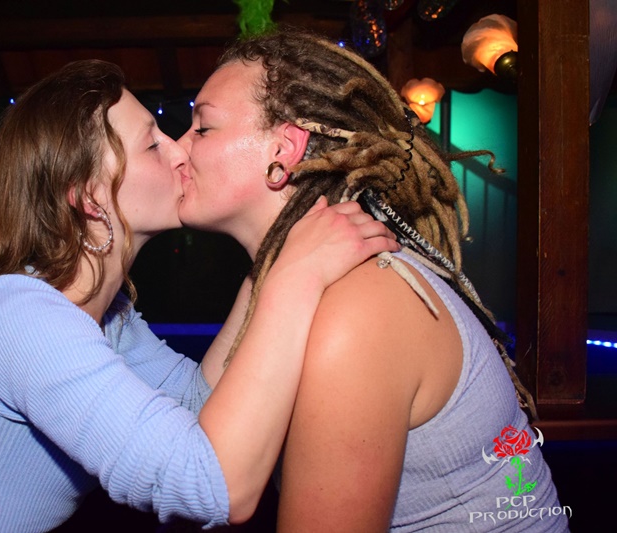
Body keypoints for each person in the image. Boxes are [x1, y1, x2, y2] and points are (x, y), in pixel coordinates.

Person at [0, 59, 398, 533]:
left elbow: (198, 405)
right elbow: (215, 487)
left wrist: (269, 264)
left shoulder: (107, 319)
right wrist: (294, 279)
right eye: (152, 144)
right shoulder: (22, 316)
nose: (180, 150)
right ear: (91, 198)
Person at [177, 29, 568, 532]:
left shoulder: (355, 311)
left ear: (285, 148)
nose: (178, 148)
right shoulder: (288, 283)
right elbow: (197, 442)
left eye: (202, 128)